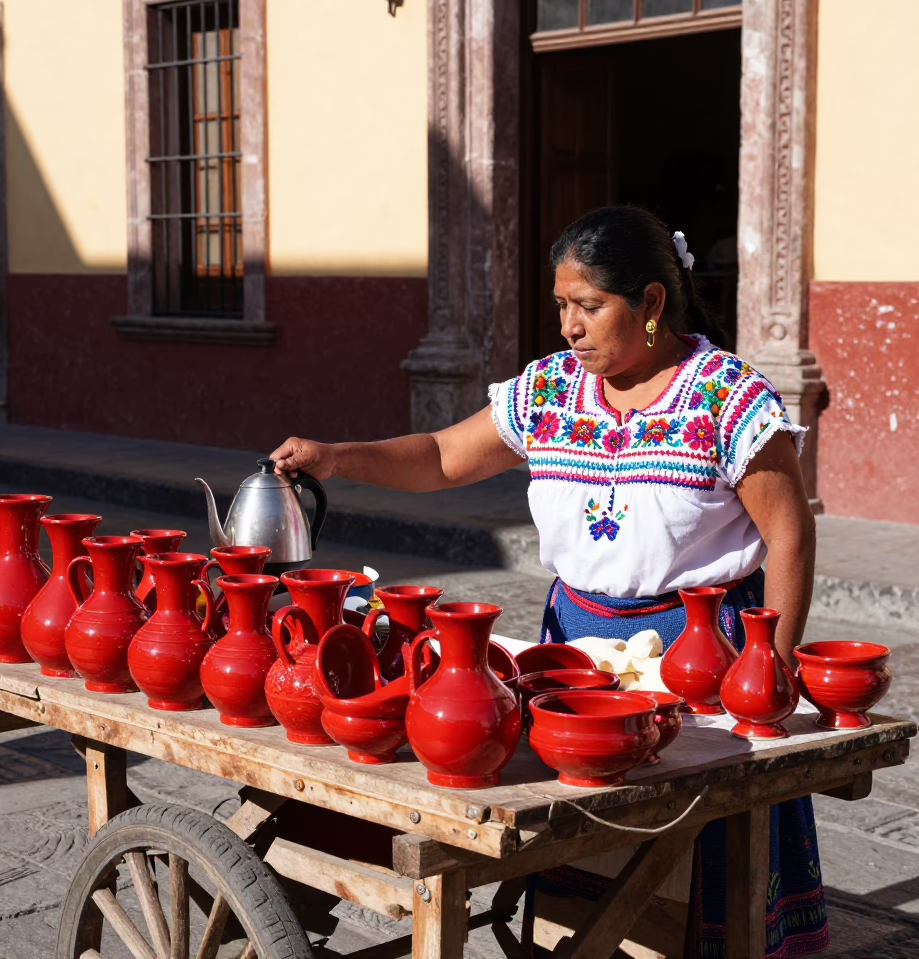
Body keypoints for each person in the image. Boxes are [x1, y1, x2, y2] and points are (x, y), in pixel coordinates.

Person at [270, 205, 826, 957]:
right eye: (563, 305)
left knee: (699, 867)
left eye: (589, 306)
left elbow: (788, 534)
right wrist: (339, 456)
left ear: (652, 303)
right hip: (574, 655)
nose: (569, 325)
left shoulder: (727, 398)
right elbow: (440, 455)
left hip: (699, 662)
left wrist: (776, 670)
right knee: (574, 848)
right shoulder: (548, 392)